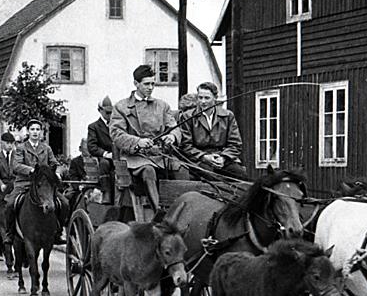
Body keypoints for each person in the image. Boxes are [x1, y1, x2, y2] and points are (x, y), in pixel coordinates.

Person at [109, 64, 182, 210]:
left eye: (153, 84)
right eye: (146, 84)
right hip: (134, 158)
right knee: (148, 170)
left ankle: (181, 212)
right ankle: (157, 213)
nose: (150, 87)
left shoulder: (162, 106)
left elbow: (174, 127)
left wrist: (172, 136)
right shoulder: (121, 107)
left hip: (160, 156)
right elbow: (116, 134)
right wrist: (138, 141)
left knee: (182, 169)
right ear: (136, 84)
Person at [4, 119, 68, 245]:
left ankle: (58, 232)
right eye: (32, 129)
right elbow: (16, 165)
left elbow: (55, 164)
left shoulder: (46, 148)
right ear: (28, 131)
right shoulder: (21, 148)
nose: (35, 132)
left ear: (41, 132)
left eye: (38, 129)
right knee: (10, 204)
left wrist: (58, 172)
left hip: (43, 186)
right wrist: (32, 170)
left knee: (64, 203)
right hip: (25, 183)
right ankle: (9, 233)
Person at [178, 81, 247, 180]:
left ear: (215, 98)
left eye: (207, 98)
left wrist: (223, 158)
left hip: (223, 159)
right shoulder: (188, 117)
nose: (203, 101)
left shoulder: (227, 116)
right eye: (200, 97)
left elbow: (235, 143)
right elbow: (186, 145)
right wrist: (204, 157)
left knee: (241, 174)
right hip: (199, 160)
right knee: (211, 177)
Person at [87, 96, 115, 202]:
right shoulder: (94, 127)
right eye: (107, 113)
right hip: (104, 157)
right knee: (105, 164)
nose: (110, 115)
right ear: (100, 110)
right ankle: (106, 192)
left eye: (111, 112)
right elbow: (92, 147)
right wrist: (105, 154)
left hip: (118, 155)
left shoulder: (117, 126)